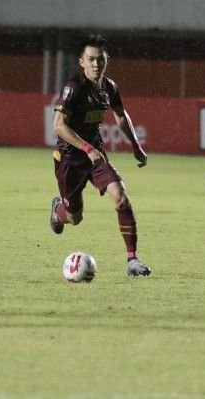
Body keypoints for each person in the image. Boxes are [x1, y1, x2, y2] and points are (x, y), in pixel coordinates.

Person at [49, 34, 151, 277]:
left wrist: (136, 146)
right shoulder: (73, 88)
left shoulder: (109, 87)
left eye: (100, 59)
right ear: (81, 62)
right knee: (75, 218)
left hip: (96, 156)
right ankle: (58, 210)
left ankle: (132, 261)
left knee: (121, 198)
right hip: (69, 159)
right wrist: (86, 148)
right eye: (91, 59)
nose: (96, 64)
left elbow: (120, 115)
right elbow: (58, 125)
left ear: (107, 61)